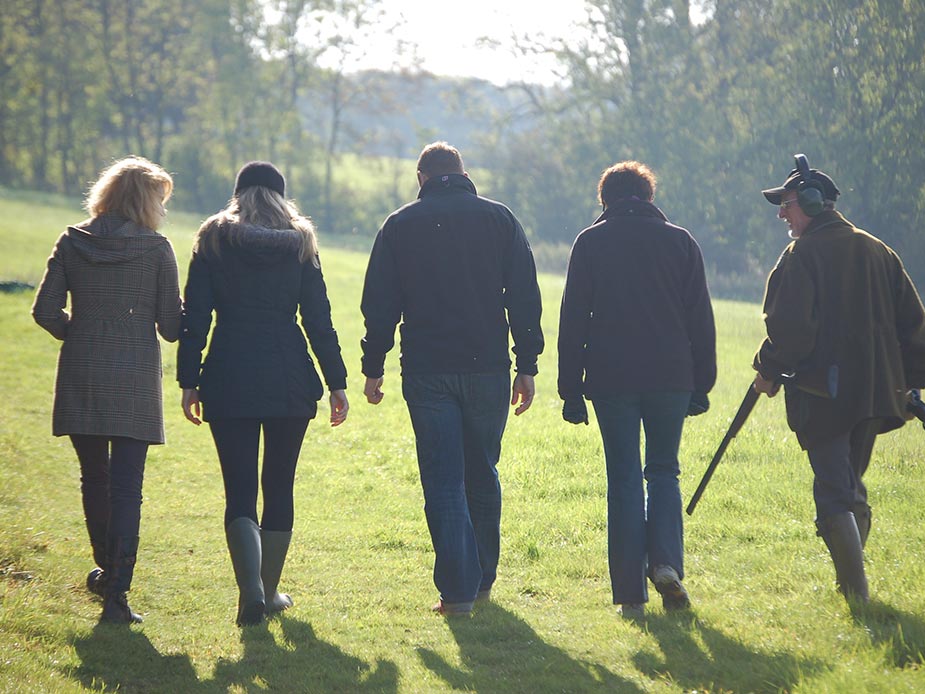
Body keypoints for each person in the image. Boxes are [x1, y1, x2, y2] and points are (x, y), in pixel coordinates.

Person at [360, 142, 544, 616]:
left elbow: (379, 303)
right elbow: (524, 297)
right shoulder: (500, 219)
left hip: (427, 368)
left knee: (443, 478)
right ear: (462, 173)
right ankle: (482, 581)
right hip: (488, 368)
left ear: (421, 178)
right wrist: (527, 364)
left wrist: (374, 366)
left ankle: (458, 593)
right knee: (482, 471)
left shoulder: (400, 225)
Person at [753, 154, 925, 603]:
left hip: (824, 395)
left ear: (815, 204)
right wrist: (910, 383)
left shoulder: (801, 255)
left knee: (836, 490)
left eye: (789, 203)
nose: (782, 213)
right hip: (876, 396)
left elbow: (792, 331)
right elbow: (915, 328)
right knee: (849, 484)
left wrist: (768, 369)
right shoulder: (880, 250)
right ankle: (850, 589)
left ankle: (856, 596)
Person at [177, 161, 349, 627]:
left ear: (239, 193)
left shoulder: (213, 238)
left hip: (228, 372)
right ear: (280, 195)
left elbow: (196, 318)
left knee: (238, 489)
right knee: (279, 484)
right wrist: (337, 382)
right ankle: (269, 592)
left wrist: (188, 380)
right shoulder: (302, 243)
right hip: (289, 375)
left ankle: (250, 591)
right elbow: (318, 319)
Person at [558, 161, 717, 620]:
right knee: (664, 470)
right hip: (671, 377)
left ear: (604, 200)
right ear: (649, 197)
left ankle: (630, 597)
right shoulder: (681, 241)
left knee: (624, 476)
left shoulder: (590, 243)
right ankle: (666, 562)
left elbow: (574, 321)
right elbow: (699, 321)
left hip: (612, 379)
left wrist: (571, 389)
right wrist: (701, 383)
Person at [32, 156, 181, 624]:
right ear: (144, 200)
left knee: (94, 478)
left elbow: (45, 310)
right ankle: (116, 592)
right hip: (134, 377)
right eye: (160, 199)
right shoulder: (157, 250)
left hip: (83, 371)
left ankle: (105, 569)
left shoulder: (72, 242)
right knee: (127, 488)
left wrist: (79, 334)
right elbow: (172, 327)